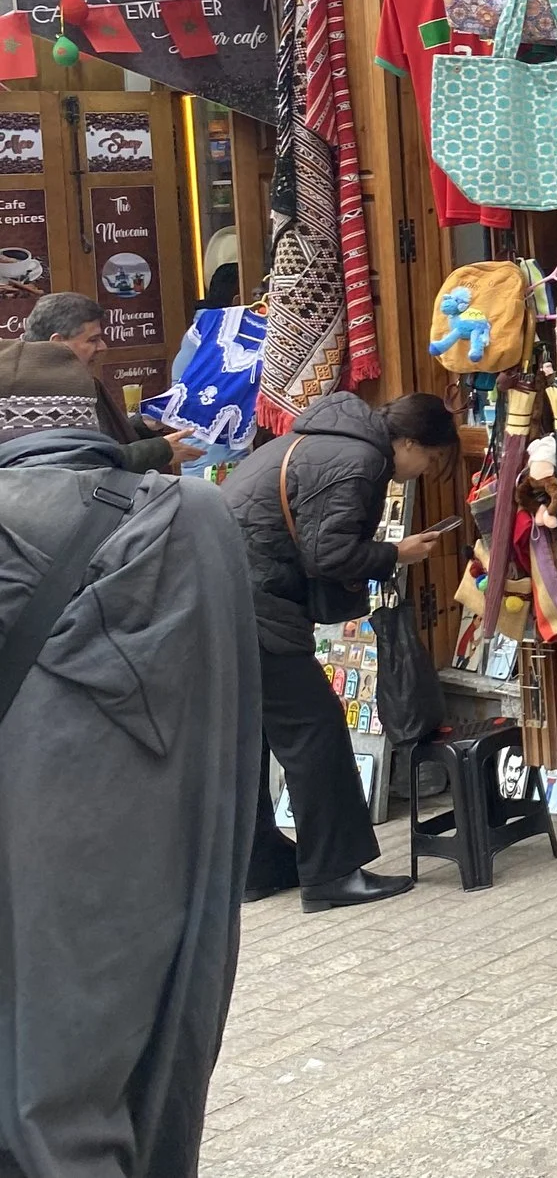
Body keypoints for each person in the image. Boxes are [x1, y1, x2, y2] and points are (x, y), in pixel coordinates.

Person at [0, 342, 258, 1178]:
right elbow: (229, 703)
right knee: (122, 1061)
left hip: (21, 837)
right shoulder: (195, 517)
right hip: (155, 840)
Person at [221, 391, 461, 910]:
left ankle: (257, 865)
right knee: (316, 730)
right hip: (256, 603)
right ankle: (332, 874)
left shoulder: (322, 439)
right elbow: (328, 554)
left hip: (227, 594)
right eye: (429, 459)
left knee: (253, 733)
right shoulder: (359, 460)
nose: (423, 472)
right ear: (410, 443)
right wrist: (396, 552)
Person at [7, 292, 200, 471]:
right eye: (93, 340)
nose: (103, 347)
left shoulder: (73, 381)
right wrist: (159, 451)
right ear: (57, 343)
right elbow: (78, 462)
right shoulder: (26, 391)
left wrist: (146, 422)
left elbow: (100, 441)